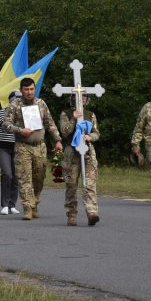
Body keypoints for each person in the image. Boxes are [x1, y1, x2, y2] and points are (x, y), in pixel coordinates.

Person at [2, 77, 63, 220]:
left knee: (39, 177)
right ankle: (27, 207)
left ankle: (35, 201)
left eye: (31, 89)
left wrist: (57, 140)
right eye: (26, 90)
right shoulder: (15, 105)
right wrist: (19, 130)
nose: (29, 92)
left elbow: (50, 123)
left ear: (34, 89)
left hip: (40, 147)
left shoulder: (41, 103)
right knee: (24, 178)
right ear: (21, 90)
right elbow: (5, 124)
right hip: (22, 146)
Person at [59, 94, 101, 226]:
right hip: (72, 152)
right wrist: (73, 119)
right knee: (71, 184)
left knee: (89, 184)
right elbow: (64, 131)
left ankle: (92, 212)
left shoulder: (90, 114)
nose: (81, 100)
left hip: (88, 151)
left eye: (84, 97)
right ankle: (71, 213)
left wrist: (90, 137)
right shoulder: (65, 113)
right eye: (78, 97)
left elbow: (96, 133)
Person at [0, 91, 21, 215]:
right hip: (3, 148)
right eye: (15, 99)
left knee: (16, 175)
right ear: (10, 101)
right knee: (7, 174)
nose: (18, 102)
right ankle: (5, 204)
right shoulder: (2, 113)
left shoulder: (25, 114)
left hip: (18, 147)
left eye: (20, 99)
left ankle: (12, 205)